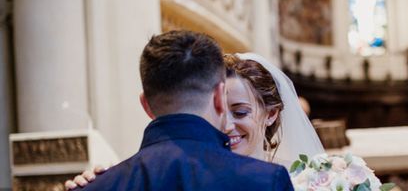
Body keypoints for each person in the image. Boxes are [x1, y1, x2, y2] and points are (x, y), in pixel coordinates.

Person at [65, 30, 293, 191]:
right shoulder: (265, 182)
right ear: (219, 98)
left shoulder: (97, 185)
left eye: (241, 111)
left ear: (146, 105)